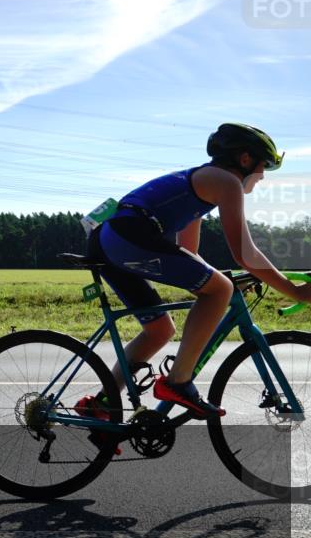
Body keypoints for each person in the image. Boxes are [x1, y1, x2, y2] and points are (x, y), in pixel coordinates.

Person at [77, 123, 311, 429]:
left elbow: (188, 251)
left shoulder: (203, 183)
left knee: (160, 330)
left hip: (112, 239)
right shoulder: (226, 182)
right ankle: (177, 381)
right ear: (245, 159)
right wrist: (294, 291)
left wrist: (225, 281)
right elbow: (245, 252)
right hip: (127, 235)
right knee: (219, 290)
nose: (263, 175)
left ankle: (100, 404)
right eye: (263, 166)